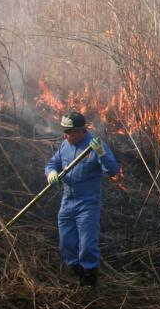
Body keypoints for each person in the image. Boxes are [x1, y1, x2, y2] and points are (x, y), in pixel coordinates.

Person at [45, 111, 120, 287]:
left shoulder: (95, 145)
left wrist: (100, 152)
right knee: (67, 245)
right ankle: (78, 278)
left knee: (87, 246)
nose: (65, 135)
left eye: (69, 132)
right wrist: (51, 172)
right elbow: (52, 163)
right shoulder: (65, 145)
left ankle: (89, 285)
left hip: (87, 204)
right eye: (64, 131)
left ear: (81, 131)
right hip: (67, 202)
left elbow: (112, 170)